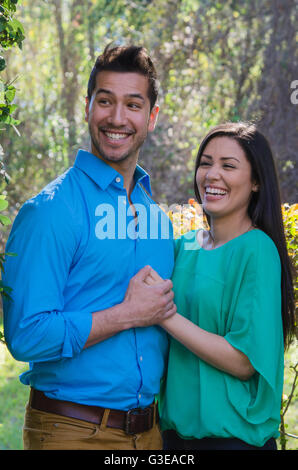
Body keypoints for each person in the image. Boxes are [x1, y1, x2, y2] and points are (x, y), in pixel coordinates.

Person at [2, 44, 177, 450]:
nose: (117, 118)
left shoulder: (158, 221)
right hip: (71, 432)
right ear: (86, 108)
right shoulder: (50, 211)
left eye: (133, 104)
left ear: (152, 117)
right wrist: (126, 315)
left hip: (151, 436)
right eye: (105, 101)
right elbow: (26, 335)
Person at [145, 122, 296, 450]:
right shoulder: (182, 246)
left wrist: (165, 315)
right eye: (205, 163)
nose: (212, 175)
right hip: (172, 439)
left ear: (256, 181)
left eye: (228, 165)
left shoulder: (256, 250)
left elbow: (244, 360)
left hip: (233, 442)